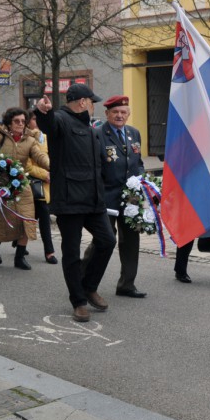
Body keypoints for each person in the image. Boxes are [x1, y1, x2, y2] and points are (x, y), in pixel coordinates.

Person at [35, 83, 116, 323]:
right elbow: (48, 125)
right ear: (82, 102)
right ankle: (78, 301)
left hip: (93, 200)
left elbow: (100, 165)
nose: (93, 106)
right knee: (71, 253)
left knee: (108, 241)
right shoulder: (60, 119)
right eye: (92, 102)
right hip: (70, 200)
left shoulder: (91, 129)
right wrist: (43, 112)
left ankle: (89, 286)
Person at [84, 95, 147, 298]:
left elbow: (138, 163)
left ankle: (127, 284)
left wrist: (143, 182)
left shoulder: (134, 133)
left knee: (131, 241)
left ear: (128, 114)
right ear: (107, 114)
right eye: (115, 112)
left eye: (123, 112)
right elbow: (94, 168)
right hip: (107, 197)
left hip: (131, 198)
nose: (119, 115)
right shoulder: (97, 134)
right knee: (104, 240)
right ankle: (82, 278)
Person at [0, 107, 50, 270]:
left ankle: (19, 257)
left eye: (23, 121)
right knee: (3, 221)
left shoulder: (30, 140)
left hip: (22, 185)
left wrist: (52, 166)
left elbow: (40, 156)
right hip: (1, 186)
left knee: (26, 220)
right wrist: (0, 166)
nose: (20, 124)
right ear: (9, 123)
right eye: (16, 121)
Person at [25, 111, 58, 265]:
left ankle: (47, 251)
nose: (36, 121)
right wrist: (45, 174)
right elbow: (27, 166)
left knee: (39, 217)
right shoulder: (25, 139)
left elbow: (52, 157)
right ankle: (48, 251)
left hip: (45, 185)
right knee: (38, 217)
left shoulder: (44, 137)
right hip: (31, 184)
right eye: (33, 119)